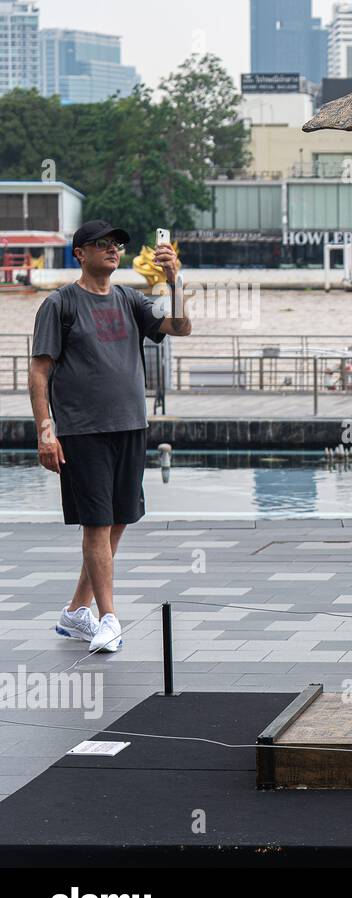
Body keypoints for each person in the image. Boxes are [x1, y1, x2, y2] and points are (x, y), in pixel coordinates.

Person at [29, 221, 188, 651]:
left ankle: (76, 610)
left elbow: (180, 326)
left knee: (118, 519)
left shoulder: (130, 299)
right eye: (101, 244)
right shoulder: (60, 304)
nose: (113, 250)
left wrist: (175, 281)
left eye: (117, 244)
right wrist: (46, 430)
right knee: (97, 522)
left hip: (130, 425)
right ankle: (109, 618)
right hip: (83, 430)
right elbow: (39, 371)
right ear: (79, 253)